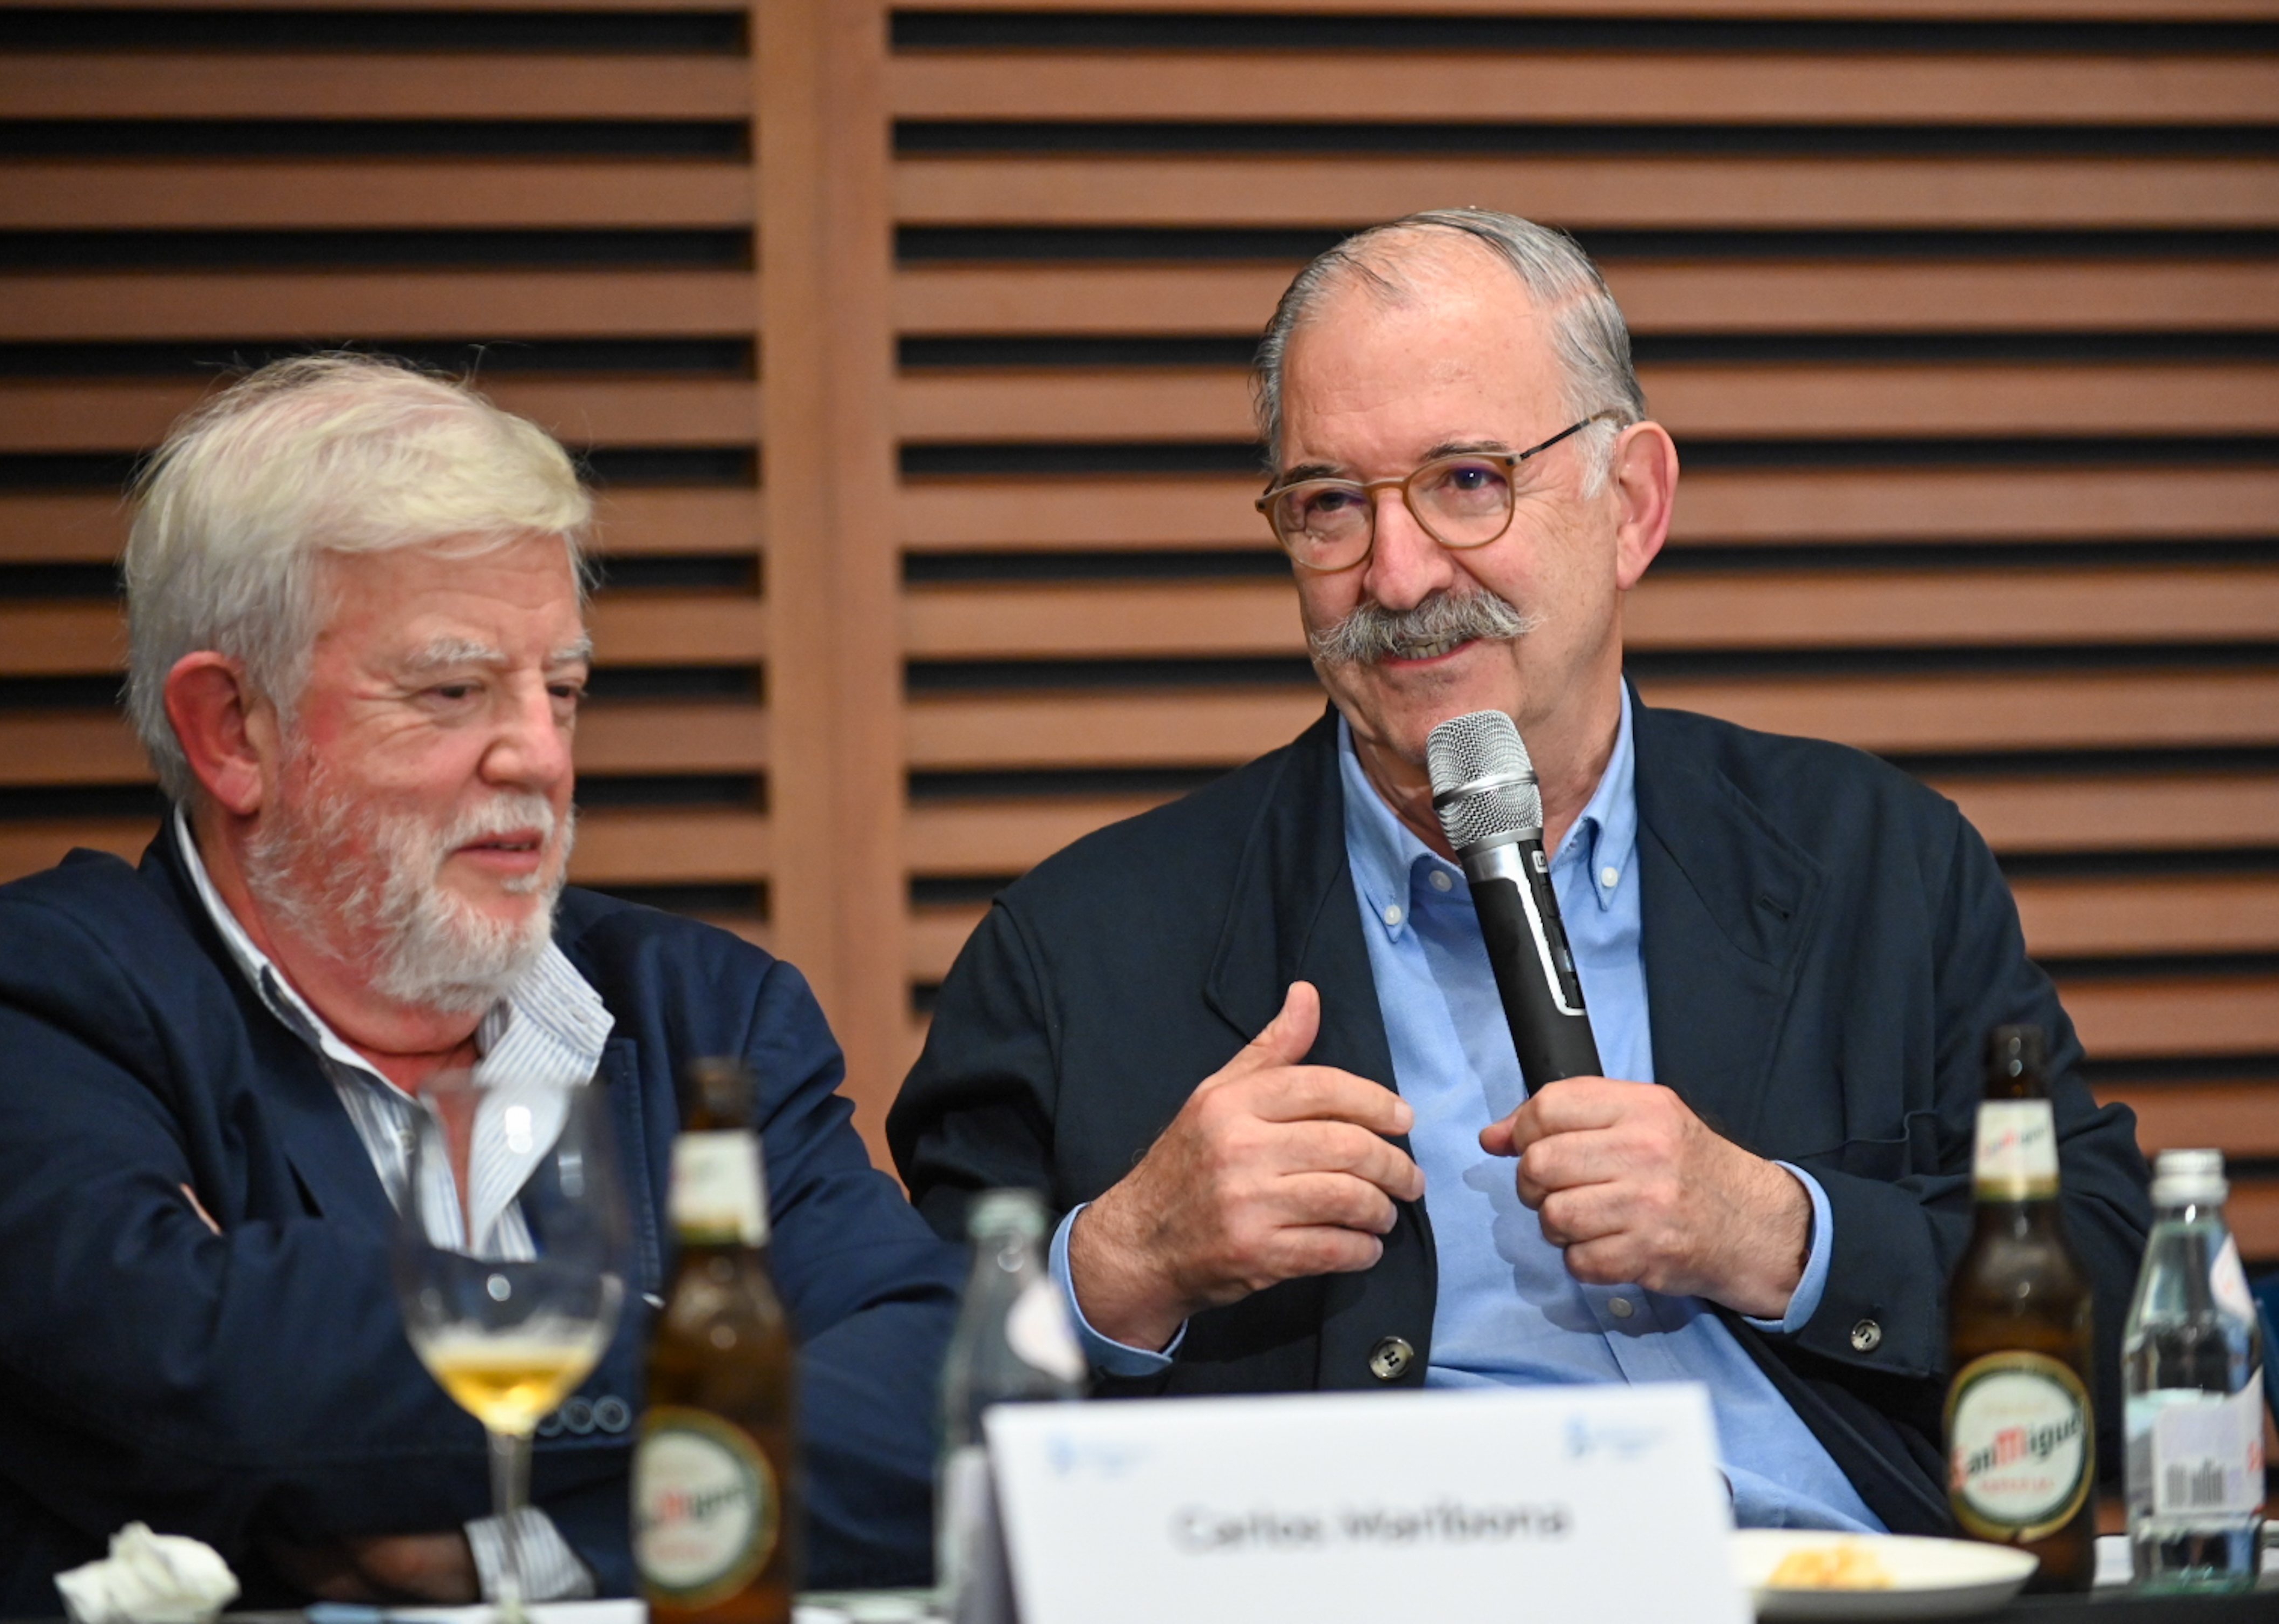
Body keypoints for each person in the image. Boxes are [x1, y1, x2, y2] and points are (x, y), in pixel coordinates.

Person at [889, 210, 2152, 1534]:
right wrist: (1128, 1260)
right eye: (1329, 505)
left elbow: (2130, 1325)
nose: (1397, 575)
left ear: (1633, 505)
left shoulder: (1875, 866)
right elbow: (885, 1415)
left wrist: (1781, 1233)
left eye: (1467, 481)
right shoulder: (1077, 952)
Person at [0, 355, 961, 1617]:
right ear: (232, 730)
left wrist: (518, 1547)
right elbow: (209, 1385)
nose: (540, 756)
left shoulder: (705, 1017)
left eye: (563, 691)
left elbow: (934, 1409)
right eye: (454, 692)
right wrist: (736, 1356)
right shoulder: (17, 1014)